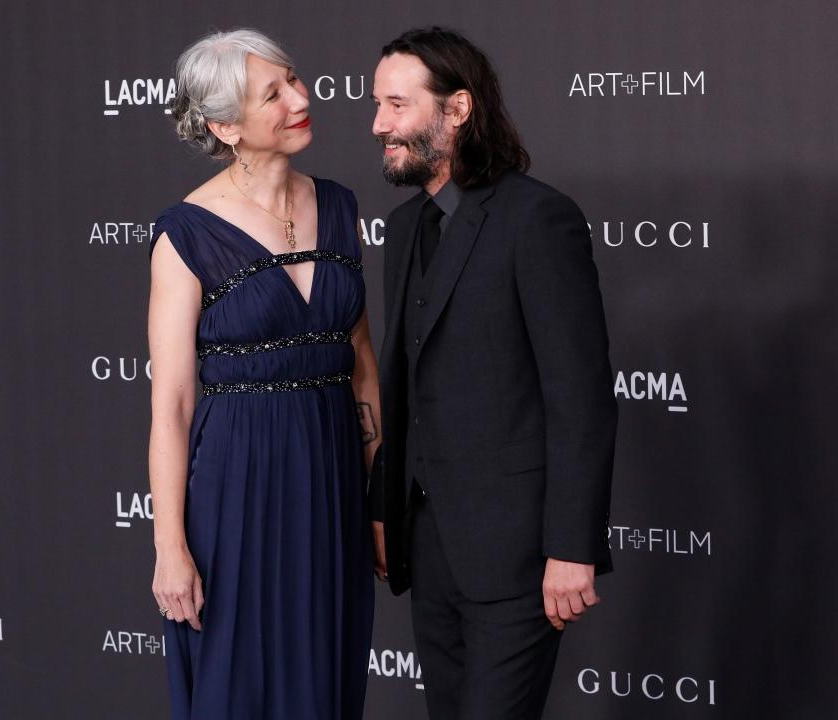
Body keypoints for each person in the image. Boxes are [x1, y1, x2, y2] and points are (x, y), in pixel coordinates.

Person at [368, 27, 618, 719]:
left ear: (458, 110)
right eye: (377, 105)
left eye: (396, 105)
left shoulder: (537, 219)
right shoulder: (401, 228)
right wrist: (385, 510)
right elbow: (408, 385)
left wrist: (572, 548)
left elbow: (581, 396)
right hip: (430, 546)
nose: (378, 125)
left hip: (518, 551)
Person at [147, 29, 378, 720]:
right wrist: (169, 548)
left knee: (324, 673)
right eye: (272, 94)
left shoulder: (339, 206)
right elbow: (172, 405)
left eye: (295, 81)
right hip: (235, 485)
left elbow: (361, 366)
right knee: (240, 681)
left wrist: (378, 500)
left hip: (333, 479)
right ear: (225, 125)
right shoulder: (185, 233)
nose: (300, 99)